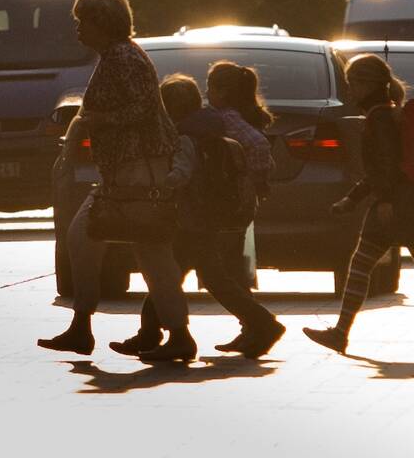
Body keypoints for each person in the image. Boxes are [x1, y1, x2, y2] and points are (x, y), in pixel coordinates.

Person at [38, 0, 197, 361]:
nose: (78, 29)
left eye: (83, 22)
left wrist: (100, 121)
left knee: (146, 251)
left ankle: (176, 335)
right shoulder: (115, 57)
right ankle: (84, 326)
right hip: (123, 174)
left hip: (140, 172)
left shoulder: (123, 57)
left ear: (102, 24)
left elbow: (143, 109)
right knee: (98, 243)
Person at [303, 53, 414, 356]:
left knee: (362, 266)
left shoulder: (378, 117)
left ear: (368, 84)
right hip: (412, 202)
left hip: (395, 205)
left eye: (354, 82)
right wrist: (352, 199)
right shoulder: (391, 112)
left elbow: (385, 167)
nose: (351, 89)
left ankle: (340, 333)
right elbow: (383, 169)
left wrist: (382, 201)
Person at [110, 73, 285, 360]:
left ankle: (164, 335)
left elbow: (181, 175)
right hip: (205, 216)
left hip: (190, 218)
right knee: (194, 276)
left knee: (167, 275)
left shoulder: (184, 136)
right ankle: (153, 333)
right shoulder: (208, 129)